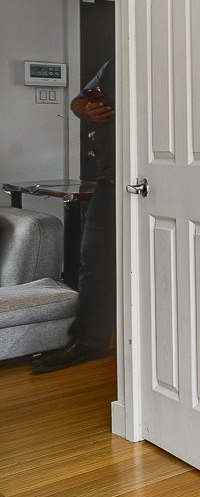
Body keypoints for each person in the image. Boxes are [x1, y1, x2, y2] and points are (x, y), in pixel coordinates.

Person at [32, 61, 116, 373]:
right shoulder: (113, 63)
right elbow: (78, 100)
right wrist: (87, 111)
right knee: (94, 260)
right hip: (110, 180)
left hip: (153, 175)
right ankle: (89, 342)